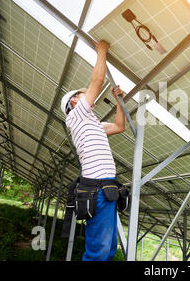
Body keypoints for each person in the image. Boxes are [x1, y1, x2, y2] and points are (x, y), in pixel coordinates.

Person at [60, 40, 126, 260]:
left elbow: (119, 126)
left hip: (105, 188)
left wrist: (118, 102)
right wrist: (102, 50)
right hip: (97, 190)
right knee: (98, 251)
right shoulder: (75, 117)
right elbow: (97, 81)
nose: (85, 95)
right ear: (73, 103)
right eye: (80, 94)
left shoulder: (93, 123)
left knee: (108, 248)